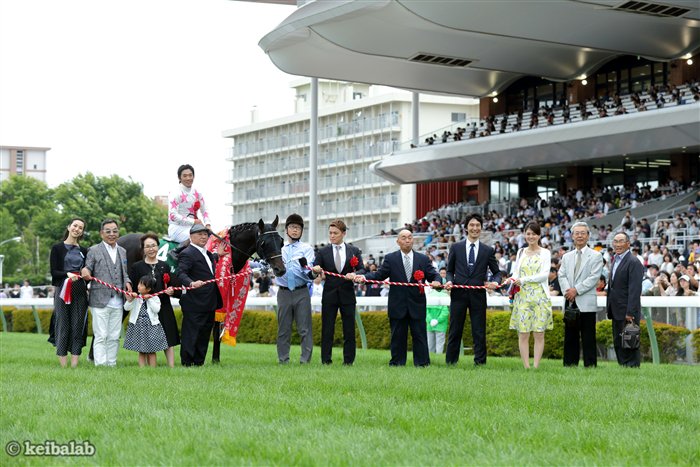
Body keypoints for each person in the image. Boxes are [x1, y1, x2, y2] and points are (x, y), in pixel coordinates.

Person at [355, 229, 441, 366]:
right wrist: (364, 278)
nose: (407, 240)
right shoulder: (391, 258)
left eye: (410, 237)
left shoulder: (423, 259)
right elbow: (379, 275)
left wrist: (437, 281)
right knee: (397, 336)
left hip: (417, 304)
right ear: (398, 241)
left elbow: (434, 275)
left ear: (413, 240)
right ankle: (397, 363)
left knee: (419, 336)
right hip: (397, 305)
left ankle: (422, 363)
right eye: (404, 238)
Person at [444, 213, 501, 366]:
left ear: (481, 228)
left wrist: (495, 283)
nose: (475, 228)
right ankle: (450, 362)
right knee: (455, 330)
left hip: (478, 295)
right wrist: (449, 281)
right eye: (472, 225)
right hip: (458, 294)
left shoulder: (487, 250)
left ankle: (480, 363)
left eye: (477, 225)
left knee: (479, 331)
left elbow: (497, 273)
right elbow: (449, 271)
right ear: (466, 228)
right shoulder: (456, 247)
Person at [311, 219, 364, 365]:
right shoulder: (322, 252)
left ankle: (349, 361)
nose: (332, 236)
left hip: (348, 295)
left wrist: (355, 274)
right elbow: (313, 272)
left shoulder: (354, 251)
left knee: (349, 330)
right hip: (329, 295)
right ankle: (326, 360)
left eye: (335, 233)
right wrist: (315, 270)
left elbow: (362, 269)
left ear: (344, 233)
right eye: (330, 233)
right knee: (327, 329)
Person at [81, 219, 132, 367]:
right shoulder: (94, 250)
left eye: (115, 231)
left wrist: (128, 283)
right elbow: (88, 267)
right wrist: (85, 271)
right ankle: (100, 364)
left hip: (118, 300)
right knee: (101, 335)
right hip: (99, 300)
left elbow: (124, 273)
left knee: (114, 336)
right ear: (101, 233)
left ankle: (111, 364)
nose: (112, 234)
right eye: (108, 231)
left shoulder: (122, 251)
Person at [129, 233, 180, 368]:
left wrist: (171, 290)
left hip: (163, 305)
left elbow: (170, 285)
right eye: (147, 246)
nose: (151, 249)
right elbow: (133, 288)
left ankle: (171, 366)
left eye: (153, 245)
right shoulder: (137, 267)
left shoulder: (165, 265)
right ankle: (146, 366)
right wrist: (136, 295)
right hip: (145, 308)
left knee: (168, 336)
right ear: (143, 249)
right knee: (146, 337)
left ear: (158, 247)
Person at [558, 221, 604, 368]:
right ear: (572, 236)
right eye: (577, 233)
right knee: (570, 335)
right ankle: (570, 365)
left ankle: (590, 366)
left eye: (583, 233)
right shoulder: (567, 256)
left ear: (588, 236)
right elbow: (561, 275)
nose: (579, 236)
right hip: (570, 300)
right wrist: (568, 291)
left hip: (586, 302)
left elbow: (594, 278)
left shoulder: (596, 256)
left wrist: (576, 290)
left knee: (588, 336)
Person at [508, 222, 552, 369]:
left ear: (539, 236)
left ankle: (536, 366)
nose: (531, 236)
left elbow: (544, 275)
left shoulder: (545, 253)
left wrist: (524, 280)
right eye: (528, 234)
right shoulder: (521, 252)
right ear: (524, 235)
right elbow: (516, 272)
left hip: (540, 296)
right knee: (523, 333)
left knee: (539, 333)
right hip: (522, 296)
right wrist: (511, 279)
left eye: (534, 234)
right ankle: (526, 367)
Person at [177, 223, 222, 366]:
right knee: (191, 333)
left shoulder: (207, 254)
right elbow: (180, 273)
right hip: (194, 301)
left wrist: (218, 255)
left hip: (209, 301)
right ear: (191, 236)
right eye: (200, 234)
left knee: (204, 333)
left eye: (205, 234)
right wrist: (191, 283)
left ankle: (199, 362)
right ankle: (187, 363)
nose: (203, 237)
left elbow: (206, 265)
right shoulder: (187, 253)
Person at [49, 217, 89, 368]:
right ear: (69, 227)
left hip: (80, 290)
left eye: (80, 228)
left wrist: (86, 273)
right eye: (75, 226)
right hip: (63, 289)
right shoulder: (57, 248)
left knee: (78, 326)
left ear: (82, 232)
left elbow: (87, 273)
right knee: (63, 325)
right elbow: (54, 272)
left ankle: (74, 365)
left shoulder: (84, 251)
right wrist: (67, 274)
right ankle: (63, 365)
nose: (77, 229)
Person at [276, 214, 315, 364]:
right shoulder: (279, 249)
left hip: (301, 291)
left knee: (305, 329)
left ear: (301, 231)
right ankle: (283, 360)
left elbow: (309, 272)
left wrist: (312, 271)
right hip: (283, 292)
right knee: (283, 329)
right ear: (286, 230)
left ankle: (305, 361)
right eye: (292, 227)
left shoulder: (307, 249)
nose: (295, 230)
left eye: (298, 228)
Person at [606, 232, 644, 367]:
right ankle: (623, 367)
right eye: (615, 241)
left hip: (627, 310)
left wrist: (630, 312)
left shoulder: (633, 262)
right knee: (618, 341)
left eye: (621, 241)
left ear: (628, 244)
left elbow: (635, 290)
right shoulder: (615, 260)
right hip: (615, 308)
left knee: (630, 340)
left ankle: (632, 367)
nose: (617, 244)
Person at [123, 275, 169, 367]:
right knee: (141, 350)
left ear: (148, 289)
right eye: (139, 284)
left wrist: (149, 299)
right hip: (138, 326)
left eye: (141, 285)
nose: (138, 286)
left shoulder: (155, 298)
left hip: (151, 327)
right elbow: (126, 308)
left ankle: (152, 368)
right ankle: (142, 369)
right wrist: (131, 299)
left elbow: (157, 309)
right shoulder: (137, 298)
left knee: (151, 350)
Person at [168, 164, 211, 244]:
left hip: (193, 228)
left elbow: (204, 210)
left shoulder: (197, 192)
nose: (188, 178)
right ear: (179, 178)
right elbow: (173, 216)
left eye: (190, 175)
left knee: (210, 238)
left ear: (193, 177)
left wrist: (208, 224)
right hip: (177, 228)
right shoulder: (175, 193)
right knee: (199, 238)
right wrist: (193, 221)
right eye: (185, 176)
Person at [426, 269, 449, 354]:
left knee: (430, 345)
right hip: (441, 325)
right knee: (439, 345)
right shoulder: (445, 296)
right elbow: (445, 312)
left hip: (430, 324)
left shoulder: (429, 295)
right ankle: (438, 359)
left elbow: (426, 311)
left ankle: (430, 359)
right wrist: (438, 320)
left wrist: (430, 320)